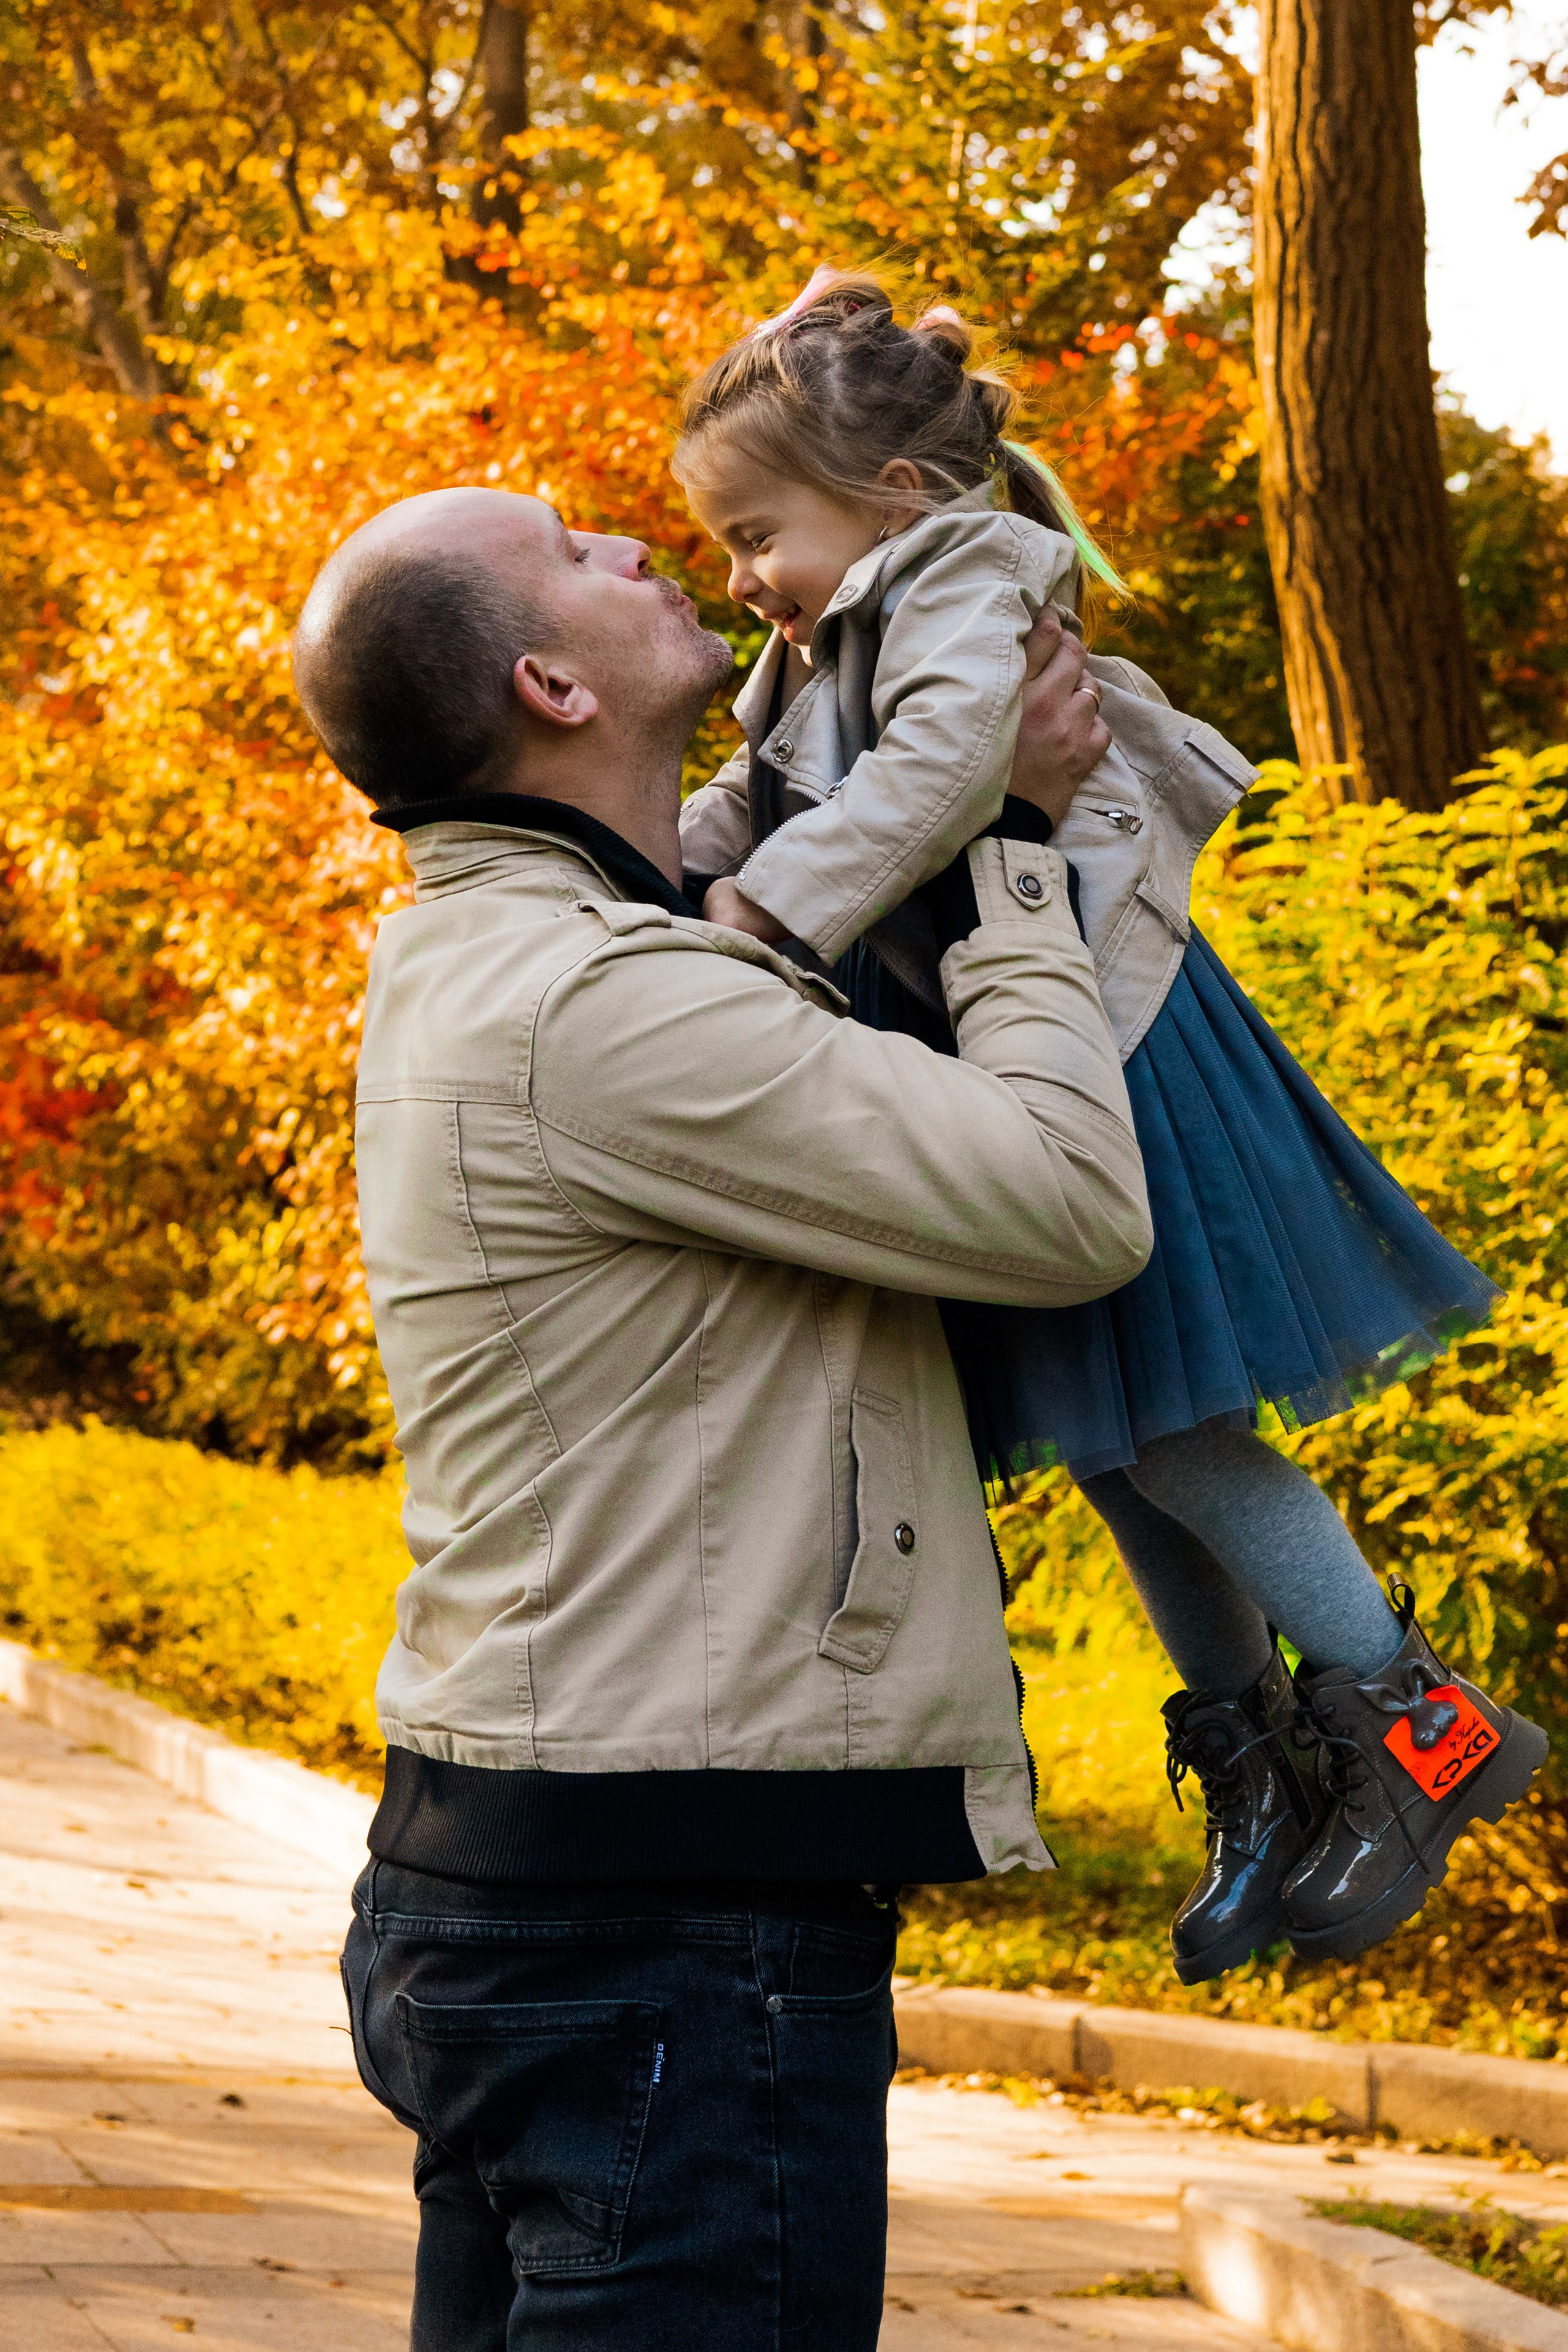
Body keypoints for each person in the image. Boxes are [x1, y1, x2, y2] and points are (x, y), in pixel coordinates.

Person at [291, 481, 1149, 2349]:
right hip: (664, 1934)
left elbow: (749, 906)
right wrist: (1013, 843)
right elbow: (1072, 1206)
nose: (624, 540)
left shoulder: (524, 950)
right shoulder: (606, 1005)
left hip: (553, 1886)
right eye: (571, 554)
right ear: (550, 682)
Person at [670, 265, 1547, 1986]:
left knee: (1174, 1425)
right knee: (1114, 1438)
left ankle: (1423, 1723)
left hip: (1116, 1047)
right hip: (1017, 1056)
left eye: (754, 532)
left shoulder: (975, 581)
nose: (739, 577)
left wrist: (763, 920)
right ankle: (1264, 1769)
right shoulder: (823, 629)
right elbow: (753, 790)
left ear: (893, 499)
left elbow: (930, 784)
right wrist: (673, 877)